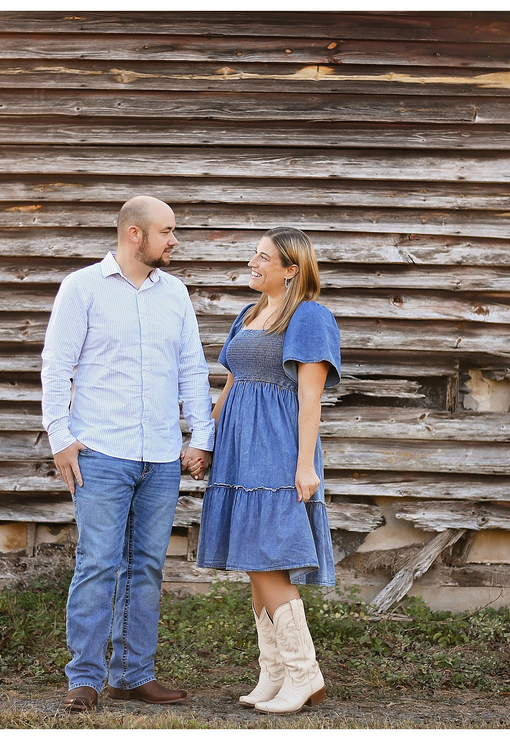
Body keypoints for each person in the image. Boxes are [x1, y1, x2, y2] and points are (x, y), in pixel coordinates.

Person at [41, 195, 214, 712]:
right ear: (135, 234)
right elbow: (57, 365)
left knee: (147, 568)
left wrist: (201, 436)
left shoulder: (175, 293)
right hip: (102, 453)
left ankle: (133, 674)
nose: (174, 240)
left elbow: (192, 369)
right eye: (167, 231)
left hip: (161, 457)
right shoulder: (82, 288)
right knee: (96, 564)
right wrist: (59, 436)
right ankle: (86, 679)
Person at [196, 226, 341, 715]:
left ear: (291, 269)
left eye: (263, 258)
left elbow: (310, 397)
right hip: (239, 448)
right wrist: (207, 441)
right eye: (253, 255)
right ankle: (273, 672)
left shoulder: (310, 317)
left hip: (278, 447)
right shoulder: (250, 313)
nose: (252, 264)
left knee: (268, 557)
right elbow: (232, 384)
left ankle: (305, 675)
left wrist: (305, 466)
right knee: (256, 563)